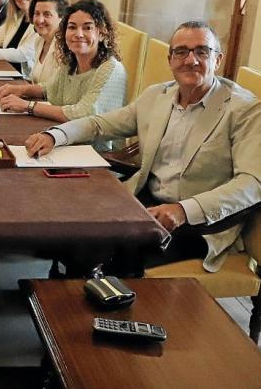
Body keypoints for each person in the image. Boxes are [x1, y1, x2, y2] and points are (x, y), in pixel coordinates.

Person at [24, 21, 261, 272]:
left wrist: (183, 210)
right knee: (74, 225)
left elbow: (253, 183)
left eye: (202, 51)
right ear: (170, 60)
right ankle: (64, 291)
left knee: (103, 250)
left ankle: (93, 291)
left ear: (218, 59)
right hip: (147, 201)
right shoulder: (157, 96)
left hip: (199, 225)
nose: (191, 60)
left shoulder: (244, 109)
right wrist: (55, 135)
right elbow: (100, 124)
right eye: (181, 52)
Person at [0, 0, 126, 133]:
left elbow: (84, 114)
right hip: (65, 133)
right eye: (72, 27)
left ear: (102, 33)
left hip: (92, 144)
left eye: (87, 28)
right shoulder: (71, 62)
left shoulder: (111, 68)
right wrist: (21, 90)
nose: (78, 34)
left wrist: (28, 106)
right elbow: (51, 89)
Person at [26, 0, 69, 84]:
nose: (40, 20)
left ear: (61, 17)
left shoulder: (65, 47)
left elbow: (55, 86)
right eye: (36, 14)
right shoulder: (39, 41)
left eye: (47, 14)